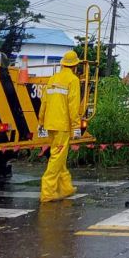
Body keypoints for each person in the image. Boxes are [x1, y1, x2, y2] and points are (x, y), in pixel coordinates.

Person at [37, 50, 83, 202]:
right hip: (62, 125)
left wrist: (41, 121)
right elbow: (73, 105)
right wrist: (76, 127)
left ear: (63, 63)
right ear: (75, 65)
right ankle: (47, 192)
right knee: (57, 157)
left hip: (50, 123)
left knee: (59, 156)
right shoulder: (73, 80)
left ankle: (65, 187)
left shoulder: (53, 78)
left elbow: (44, 102)